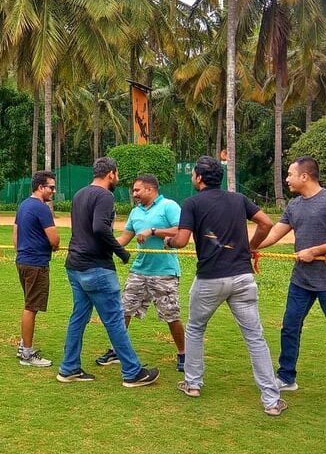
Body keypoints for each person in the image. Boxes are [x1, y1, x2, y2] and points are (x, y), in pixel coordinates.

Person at [164, 156, 287, 416]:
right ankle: (271, 400)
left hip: (209, 279)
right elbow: (266, 223)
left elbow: (182, 240)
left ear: (198, 177)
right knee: (255, 337)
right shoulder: (238, 199)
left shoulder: (192, 203)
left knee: (195, 329)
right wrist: (251, 247)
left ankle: (193, 384)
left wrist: (169, 242)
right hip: (242, 278)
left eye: (193, 173)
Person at [258, 157, 326, 404]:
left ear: (305, 176)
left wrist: (315, 250)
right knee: (290, 327)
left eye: (290, 174)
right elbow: (275, 233)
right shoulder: (294, 205)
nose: (287, 179)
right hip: (301, 280)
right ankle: (286, 377)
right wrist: (249, 246)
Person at [57, 157, 159, 388]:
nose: (118, 178)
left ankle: (69, 368)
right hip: (96, 268)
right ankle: (133, 372)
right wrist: (121, 252)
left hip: (75, 266)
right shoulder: (105, 196)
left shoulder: (80, 194)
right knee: (114, 320)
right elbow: (99, 228)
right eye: (117, 174)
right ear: (111, 173)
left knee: (78, 317)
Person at [96, 174, 185, 372]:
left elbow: (181, 230)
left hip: (164, 272)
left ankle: (183, 354)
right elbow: (124, 238)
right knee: (123, 311)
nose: (134, 193)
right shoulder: (135, 212)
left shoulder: (169, 206)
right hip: (139, 271)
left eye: (137, 190)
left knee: (171, 315)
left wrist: (153, 231)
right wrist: (104, 246)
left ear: (150, 189)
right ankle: (116, 350)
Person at [13, 170, 60, 368]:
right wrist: (54, 245)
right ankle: (27, 353)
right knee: (31, 307)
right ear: (41, 187)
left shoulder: (24, 205)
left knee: (29, 304)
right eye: (51, 187)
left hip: (23, 261)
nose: (53, 191)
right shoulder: (42, 208)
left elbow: (15, 234)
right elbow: (54, 239)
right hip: (35, 264)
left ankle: (23, 345)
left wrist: (22, 252)